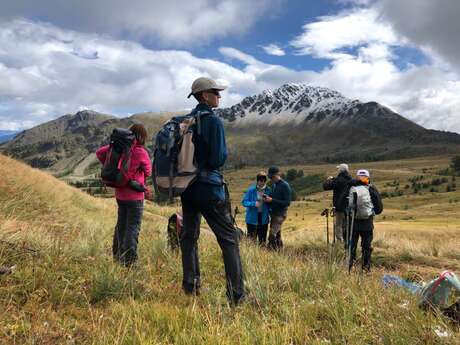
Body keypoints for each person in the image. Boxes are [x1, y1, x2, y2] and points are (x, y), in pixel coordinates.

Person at [180, 77, 245, 305]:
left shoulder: (187, 120)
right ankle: (236, 296)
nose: (219, 95)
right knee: (228, 240)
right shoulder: (213, 122)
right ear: (205, 95)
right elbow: (218, 158)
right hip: (209, 188)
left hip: (187, 188)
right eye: (216, 92)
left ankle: (190, 286)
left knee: (189, 236)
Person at [96, 124, 152, 267]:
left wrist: (112, 165)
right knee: (132, 228)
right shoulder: (141, 152)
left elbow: (99, 153)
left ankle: (117, 256)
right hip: (135, 197)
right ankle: (130, 262)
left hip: (120, 194)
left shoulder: (119, 148)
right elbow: (148, 171)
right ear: (143, 137)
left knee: (121, 225)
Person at [347, 169, 383, 272]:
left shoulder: (351, 187)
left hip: (353, 222)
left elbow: (345, 204)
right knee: (366, 246)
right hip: (367, 223)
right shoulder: (371, 189)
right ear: (368, 177)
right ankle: (366, 268)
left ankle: (350, 266)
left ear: (357, 177)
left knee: (352, 245)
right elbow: (379, 209)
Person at [323, 163, 352, 242]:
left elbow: (326, 186)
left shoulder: (338, 180)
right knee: (346, 224)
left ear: (341, 170)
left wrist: (329, 180)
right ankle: (347, 241)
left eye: (338, 169)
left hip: (340, 206)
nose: (337, 170)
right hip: (349, 206)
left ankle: (340, 241)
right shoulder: (350, 179)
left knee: (338, 225)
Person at [264, 166, 291, 250]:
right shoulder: (275, 185)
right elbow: (275, 198)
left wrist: (272, 200)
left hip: (280, 214)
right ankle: (280, 252)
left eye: (273, 177)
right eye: (270, 177)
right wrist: (268, 198)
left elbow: (287, 202)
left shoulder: (285, 186)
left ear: (278, 174)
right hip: (274, 213)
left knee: (272, 234)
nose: (271, 179)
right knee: (277, 234)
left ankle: (271, 251)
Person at [242, 172, 271, 245]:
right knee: (251, 241)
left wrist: (268, 201)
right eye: (261, 181)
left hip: (264, 218)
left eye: (264, 181)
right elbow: (244, 202)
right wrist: (253, 204)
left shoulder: (268, 190)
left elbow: (271, 203)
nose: (262, 182)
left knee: (262, 241)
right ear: (257, 181)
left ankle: (262, 255)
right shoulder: (251, 190)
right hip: (252, 218)